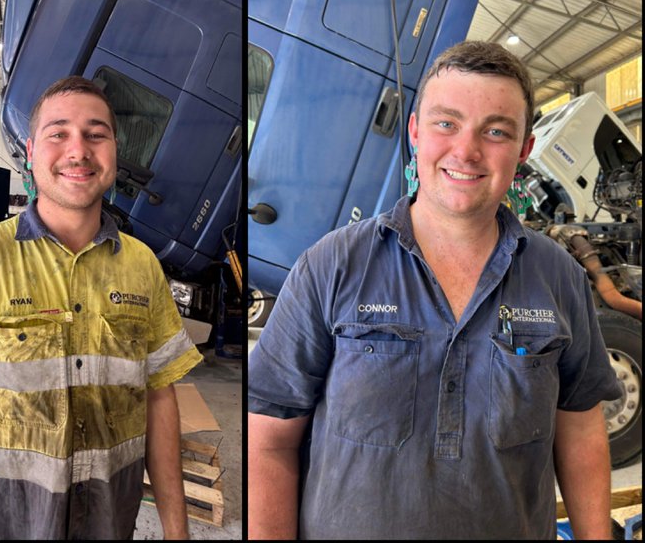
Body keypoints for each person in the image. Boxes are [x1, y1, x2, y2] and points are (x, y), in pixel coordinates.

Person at [248, 41, 619, 540]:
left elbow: (580, 430)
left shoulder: (559, 277)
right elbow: (268, 441)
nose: (466, 151)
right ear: (416, 132)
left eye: (495, 131)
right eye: (447, 123)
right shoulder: (333, 265)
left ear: (524, 150)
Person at [0, 76, 202, 539]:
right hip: (1, 523)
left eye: (96, 134)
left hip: (110, 521)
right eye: (58, 133)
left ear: (114, 151)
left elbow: (158, 395)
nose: (78, 150)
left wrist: (177, 530)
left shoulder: (142, 266)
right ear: (30, 152)